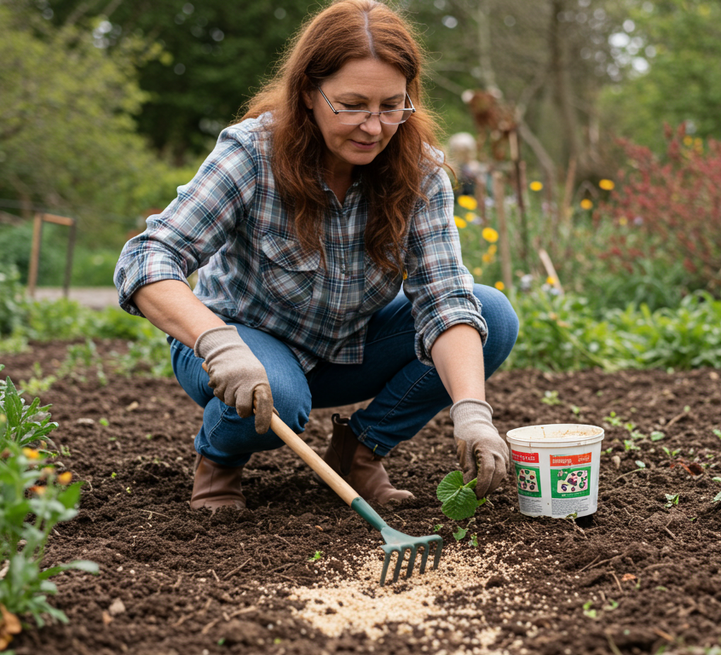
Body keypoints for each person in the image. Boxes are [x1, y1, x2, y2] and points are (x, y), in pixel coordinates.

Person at [114, 0, 518, 512]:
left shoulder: (418, 173)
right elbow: (148, 258)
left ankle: (360, 452)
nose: (374, 127)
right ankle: (218, 460)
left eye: (391, 106)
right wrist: (215, 342)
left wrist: (472, 410)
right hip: (236, 350)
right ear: (308, 92)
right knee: (280, 393)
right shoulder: (252, 155)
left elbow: (444, 298)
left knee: (492, 316)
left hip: (347, 349)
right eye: (351, 105)